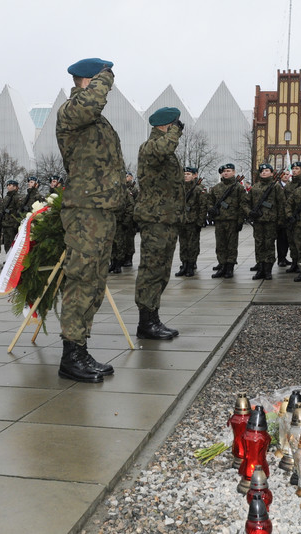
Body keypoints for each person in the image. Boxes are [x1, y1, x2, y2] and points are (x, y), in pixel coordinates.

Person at [55, 57, 124, 382]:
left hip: (101, 210)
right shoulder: (72, 112)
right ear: (88, 79)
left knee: (95, 283)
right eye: (100, 78)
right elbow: (92, 101)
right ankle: (71, 355)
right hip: (83, 211)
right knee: (82, 280)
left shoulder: (96, 121)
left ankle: (80, 349)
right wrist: (105, 76)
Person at [134, 106, 184, 339]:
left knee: (162, 271)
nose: (179, 131)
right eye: (175, 125)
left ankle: (153, 318)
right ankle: (146, 322)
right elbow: (164, 148)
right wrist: (173, 133)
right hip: (154, 220)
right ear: (166, 126)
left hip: (166, 219)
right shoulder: (151, 147)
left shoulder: (164, 149)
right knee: (151, 270)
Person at [208, 163, 248, 278]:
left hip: (232, 221)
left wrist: (240, 220)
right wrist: (211, 209)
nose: (226, 173)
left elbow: (242, 204)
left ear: (234, 172)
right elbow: (209, 201)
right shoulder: (216, 188)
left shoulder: (238, 188)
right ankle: (222, 266)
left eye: (229, 171)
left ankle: (230, 267)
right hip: (220, 220)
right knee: (220, 245)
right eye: (224, 171)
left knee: (231, 245)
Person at [247, 163, 285, 280]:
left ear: (272, 173)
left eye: (267, 171)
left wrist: (280, 221)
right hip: (258, 221)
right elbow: (246, 202)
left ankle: (268, 270)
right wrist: (250, 212)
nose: (264, 172)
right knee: (259, 245)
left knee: (269, 245)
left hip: (271, 221)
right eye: (262, 171)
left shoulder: (276, 187)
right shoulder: (255, 187)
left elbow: (281, 204)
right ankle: (260, 269)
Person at [175, 166, 206, 277]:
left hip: (193, 222)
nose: (186, 176)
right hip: (182, 221)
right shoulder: (179, 189)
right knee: (183, 245)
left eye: (188, 174)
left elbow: (203, 207)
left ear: (194, 176)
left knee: (192, 245)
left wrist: (200, 222)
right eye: (184, 174)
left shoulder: (198, 190)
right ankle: (184, 264)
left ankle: (191, 265)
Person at [109, 174, 134, 274]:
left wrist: (126, 222)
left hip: (120, 222)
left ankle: (118, 264)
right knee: (111, 245)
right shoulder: (110, 193)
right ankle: (113, 263)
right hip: (111, 222)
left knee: (120, 244)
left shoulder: (126, 193)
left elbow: (130, 207)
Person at [284, 162, 301, 273]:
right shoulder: (289, 185)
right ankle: (294, 262)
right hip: (290, 217)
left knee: (300, 243)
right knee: (292, 242)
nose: (295, 171)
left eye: (297, 168)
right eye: (293, 169)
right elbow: (285, 201)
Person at [0, 179, 22, 253]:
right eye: (7, 185)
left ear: (15, 187)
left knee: (12, 242)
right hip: (5, 223)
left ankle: (11, 258)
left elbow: (19, 210)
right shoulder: (7, 197)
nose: (8, 187)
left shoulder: (17, 197)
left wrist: (16, 223)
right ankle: (7, 257)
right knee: (6, 242)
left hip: (12, 223)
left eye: (10, 185)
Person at [276, 170, 291, 266]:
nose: (285, 176)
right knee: (281, 239)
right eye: (284, 174)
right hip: (280, 216)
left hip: (289, 216)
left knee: (287, 239)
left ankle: (285, 257)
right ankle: (280, 258)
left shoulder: (290, 185)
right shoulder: (277, 186)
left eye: (287, 174)